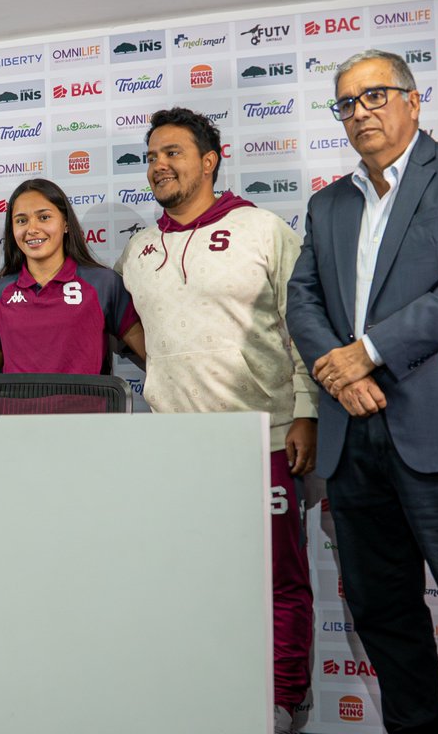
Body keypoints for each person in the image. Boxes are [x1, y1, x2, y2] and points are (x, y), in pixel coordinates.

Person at [287, 49, 438, 734]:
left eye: (375, 96)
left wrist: (364, 354)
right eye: (346, 103)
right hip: (352, 442)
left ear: (413, 100)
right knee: (385, 621)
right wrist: (339, 370)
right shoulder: (328, 203)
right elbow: (302, 299)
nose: (360, 112)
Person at [113, 107, 316, 733]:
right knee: (186, 575)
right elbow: (135, 332)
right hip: (177, 446)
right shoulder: (139, 250)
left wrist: (306, 410)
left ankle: (282, 703)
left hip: (263, 436)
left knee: (278, 579)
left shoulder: (262, 229)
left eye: (172, 152)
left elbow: (302, 324)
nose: (158, 166)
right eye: (150, 156)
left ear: (210, 159)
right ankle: (196, 694)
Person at [0, 178, 143, 374]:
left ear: (65, 224)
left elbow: (155, 357)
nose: (32, 229)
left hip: (89, 406)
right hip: (15, 406)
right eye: (21, 220)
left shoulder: (104, 284)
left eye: (44, 217)